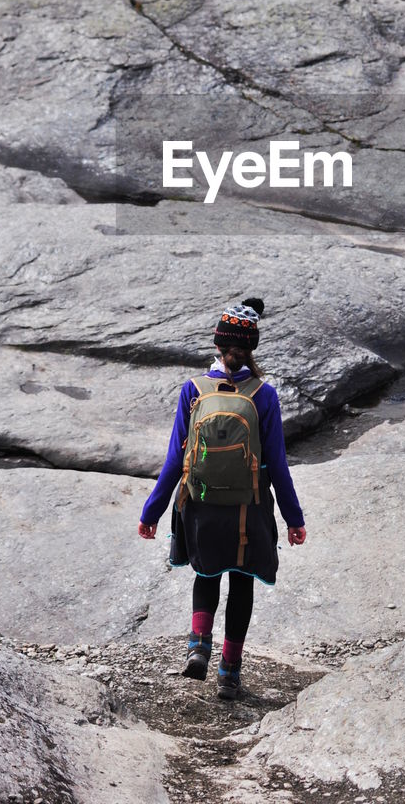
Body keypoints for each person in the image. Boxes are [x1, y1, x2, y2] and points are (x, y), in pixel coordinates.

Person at [138, 296, 306, 699]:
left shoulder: (194, 389)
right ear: (251, 348)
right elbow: (278, 466)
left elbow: (175, 460)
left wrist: (152, 510)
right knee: (242, 584)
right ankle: (229, 674)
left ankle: (199, 647)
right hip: (248, 511)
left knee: (206, 575)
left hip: (201, 507)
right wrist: (293, 518)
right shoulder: (263, 395)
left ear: (217, 344)